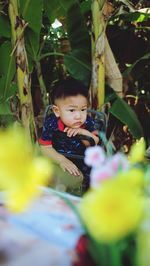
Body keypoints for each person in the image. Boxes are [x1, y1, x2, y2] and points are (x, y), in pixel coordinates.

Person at [39, 77, 100, 192]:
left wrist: (84, 132)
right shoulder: (52, 123)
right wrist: (62, 160)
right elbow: (45, 147)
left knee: (76, 181)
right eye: (72, 110)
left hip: (81, 164)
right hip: (58, 158)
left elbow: (94, 143)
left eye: (83, 110)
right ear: (57, 111)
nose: (78, 116)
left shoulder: (87, 123)